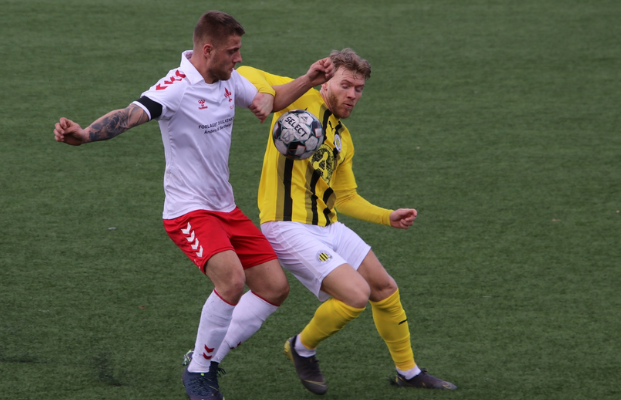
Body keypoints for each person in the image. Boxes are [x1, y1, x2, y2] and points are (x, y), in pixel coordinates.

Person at [53, 11, 334, 400]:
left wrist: (308, 79)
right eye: (232, 51)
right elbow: (129, 115)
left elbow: (270, 102)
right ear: (208, 50)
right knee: (231, 281)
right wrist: (85, 134)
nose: (239, 58)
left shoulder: (227, 79)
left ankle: (208, 356)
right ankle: (199, 372)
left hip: (225, 208)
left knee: (274, 288)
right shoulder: (177, 87)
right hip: (188, 211)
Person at [237, 49, 457, 394]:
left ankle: (408, 372)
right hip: (287, 225)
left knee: (384, 288)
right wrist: (267, 94)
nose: (353, 94)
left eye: (359, 88)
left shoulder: (342, 138)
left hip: (328, 226)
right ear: (326, 83)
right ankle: (301, 347)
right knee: (355, 295)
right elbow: (247, 71)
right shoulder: (300, 98)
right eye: (346, 85)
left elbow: (345, 196)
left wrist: (387, 216)